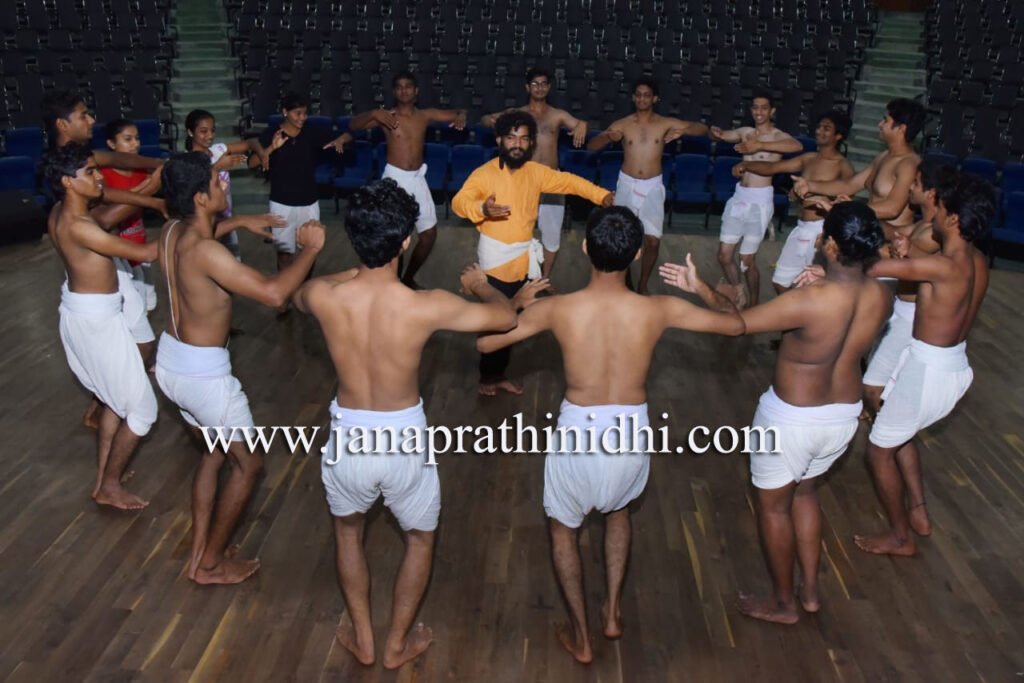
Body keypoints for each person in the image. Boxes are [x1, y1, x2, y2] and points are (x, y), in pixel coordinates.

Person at [478, 207, 744, 662]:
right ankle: (613, 613)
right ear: (637, 254)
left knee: (564, 530)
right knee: (619, 511)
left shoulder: (556, 309)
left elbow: (486, 343)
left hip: (578, 433)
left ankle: (582, 638)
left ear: (585, 248)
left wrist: (517, 302)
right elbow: (736, 324)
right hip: (630, 431)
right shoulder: (659, 309)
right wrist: (699, 285)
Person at [294, 179, 520, 668]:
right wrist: (481, 286)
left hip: (349, 436)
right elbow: (504, 319)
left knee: (347, 533)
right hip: (404, 440)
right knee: (419, 537)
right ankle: (396, 644)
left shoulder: (324, 296)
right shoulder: (425, 305)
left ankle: (364, 638)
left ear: (354, 238)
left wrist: (348, 261)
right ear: (404, 242)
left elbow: (297, 296)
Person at [671, 202, 891, 624]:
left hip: (791, 420)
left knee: (774, 508)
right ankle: (809, 594)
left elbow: (736, 323)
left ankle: (785, 604)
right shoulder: (881, 295)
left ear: (830, 244)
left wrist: (698, 288)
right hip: (842, 417)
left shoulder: (808, 300)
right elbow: (845, 302)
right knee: (805, 494)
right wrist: (826, 277)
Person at [154, 152, 319, 584]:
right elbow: (273, 294)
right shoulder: (207, 252)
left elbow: (204, 237)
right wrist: (310, 250)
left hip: (171, 362)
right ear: (199, 197)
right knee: (249, 465)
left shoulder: (171, 232)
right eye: (216, 181)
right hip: (204, 376)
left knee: (213, 454)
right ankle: (210, 565)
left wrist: (240, 221)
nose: (224, 185)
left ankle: (200, 552)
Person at [850, 174, 994, 557]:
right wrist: (906, 252)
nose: (935, 215)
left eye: (941, 209)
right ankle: (917, 510)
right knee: (896, 435)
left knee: (878, 451)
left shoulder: (944, 266)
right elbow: (928, 275)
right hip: (949, 363)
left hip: (927, 371)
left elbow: (872, 270)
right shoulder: (977, 261)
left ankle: (901, 538)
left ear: (953, 219)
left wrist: (846, 243)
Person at [452, 110, 613, 396]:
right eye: (511, 137)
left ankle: (497, 373)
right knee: (498, 324)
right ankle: (488, 379)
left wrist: (602, 195)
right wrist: (482, 209)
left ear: (531, 144)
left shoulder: (535, 173)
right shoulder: (484, 174)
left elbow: (569, 182)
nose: (517, 144)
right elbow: (459, 202)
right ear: (499, 140)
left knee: (512, 321)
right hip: (495, 265)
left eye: (524, 139)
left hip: (522, 262)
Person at [43, 142, 159, 510]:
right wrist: (189, 228)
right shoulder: (79, 226)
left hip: (90, 311)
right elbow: (145, 253)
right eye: (90, 173)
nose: (99, 178)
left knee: (114, 400)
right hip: (96, 321)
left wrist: (151, 192)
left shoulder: (61, 211)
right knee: (144, 411)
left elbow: (110, 210)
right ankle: (109, 485)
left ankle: (104, 480)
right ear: (68, 181)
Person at [587, 77, 708, 294]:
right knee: (622, 237)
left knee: (652, 241)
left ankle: (642, 285)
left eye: (647, 95)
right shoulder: (623, 124)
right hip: (627, 184)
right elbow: (591, 146)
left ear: (655, 98)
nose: (642, 99)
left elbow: (702, 128)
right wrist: (607, 137)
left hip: (652, 186)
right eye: (639, 95)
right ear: (633, 98)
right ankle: (624, 283)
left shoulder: (665, 123)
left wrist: (684, 131)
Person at [350, 72, 467, 288]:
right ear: (394, 91)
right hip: (394, 179)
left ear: (416, 91)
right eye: (399, 87)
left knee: (429, 235)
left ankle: (407, 277)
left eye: (408, 86)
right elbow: (354, 125)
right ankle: (393, 282)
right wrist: (374, 112)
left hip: (417, 178)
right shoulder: (386, 116)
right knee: (396, 236)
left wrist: (461, 116)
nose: (404, 90)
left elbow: (458, 112)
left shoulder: (425, 115)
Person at [860, 160, 953, 415]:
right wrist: (861, 214)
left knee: (873, 386)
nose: (910, 187)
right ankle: (879, 417)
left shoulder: (934, 235)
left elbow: (898, 258)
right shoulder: (923, 225)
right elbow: (893, 232)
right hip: (899, 308)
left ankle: (885, 431)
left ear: (931, 193)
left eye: (916, 183)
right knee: (876, 370)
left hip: (910, 316)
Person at [481, 67, 589, 279]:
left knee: (552, 234)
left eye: (543, 84)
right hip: (523, 179)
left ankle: (544, 279)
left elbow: (579, 124)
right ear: (527, 87)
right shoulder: (517, 114)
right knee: (516, 228)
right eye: (534, 84)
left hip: (551, 181)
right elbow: (486, 119)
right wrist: (491, 121)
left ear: (549, 87)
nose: (539, 88)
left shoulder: (557, 115)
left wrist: (583, 125)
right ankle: (516, 276)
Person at [731, 110, 854, 292]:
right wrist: (747, 165)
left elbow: (847, 202)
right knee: (780, 282)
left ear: (839, 135)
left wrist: (830, 233)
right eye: (819, 126)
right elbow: (774, 167)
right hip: (801, 227)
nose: (819, 131)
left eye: (826, 128)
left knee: (813, 286)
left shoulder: (843, 166)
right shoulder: (809, 158)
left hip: (821, 229)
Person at [711, 90, 803, 307]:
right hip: (739, 197)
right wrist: (715, 133)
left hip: (760, 201)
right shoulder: (746, 132)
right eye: (755, 107)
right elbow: (723, 135)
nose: (758, 112)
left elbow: (797, 146)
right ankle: (738, 292)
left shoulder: (778, 136)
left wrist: (760, 145)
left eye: (764, 108)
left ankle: (753, 305)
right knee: (724, 255)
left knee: (746, 260)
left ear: (772, 111)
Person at [792, 98, 926, 238]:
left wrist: (849, 208)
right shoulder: (884, 156)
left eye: (885, 120)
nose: (880, 124)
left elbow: (892, 209)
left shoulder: (909, 164)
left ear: (901, 129)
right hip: (871, 236)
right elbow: (849, 185)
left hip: (892, 241)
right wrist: (809, 185)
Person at [42, 90, 166, 225]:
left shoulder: (82, 155)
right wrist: (152, 190)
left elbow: (120, 159)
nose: (92, 120)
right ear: (62, 124)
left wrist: (161, 163)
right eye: (83, 116)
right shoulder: (63, 167)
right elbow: (105, 218)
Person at [259, 92, 351, 272]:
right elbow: (252, 161)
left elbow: (348, 134)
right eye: (298, 113)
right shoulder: (271, 134)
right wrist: (271, 149)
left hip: (309, 202)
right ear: (285, 112)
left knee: (309, 250)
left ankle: (304, 285)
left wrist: (340, 140)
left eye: (305, 113)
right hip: (281, 203)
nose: (303, 117)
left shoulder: (311, 132)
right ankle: (286, 286)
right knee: (284, 254)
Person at [185, 108, 268, 261]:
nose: (210, 135)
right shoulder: (187, 160)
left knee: (233, 263)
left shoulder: (218, 150)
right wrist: (217, 167)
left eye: (212, 130)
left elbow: (251, 142)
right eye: (203, 131)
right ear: (190, 132)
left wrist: (263, 155)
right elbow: (193, 183)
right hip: (206, 224)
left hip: (227, 220)